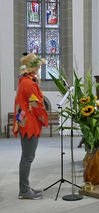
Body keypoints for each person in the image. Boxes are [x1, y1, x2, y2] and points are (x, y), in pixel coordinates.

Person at [13, 53, 48, 199]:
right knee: (27, 157)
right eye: (38, 65)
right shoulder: (29, 83)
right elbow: (36, 104)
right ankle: (24, 191)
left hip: (23, 119)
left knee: (27, 156)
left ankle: (25, 187)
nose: (40, 67)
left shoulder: (25, 80)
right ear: (32, 67)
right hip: (29, 123)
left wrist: (36, 83)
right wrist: (44, 119)